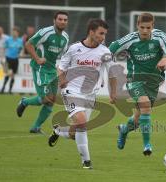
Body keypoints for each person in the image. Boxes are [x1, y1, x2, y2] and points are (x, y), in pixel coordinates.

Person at [48, 19, 117, 169]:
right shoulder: (74, 48)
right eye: (100, 33)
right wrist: (61, 80)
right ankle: (86, 162)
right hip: (71, 91)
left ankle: (59, 131)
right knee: (81, 123)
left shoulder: (105, 52)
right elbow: (61, 67)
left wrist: (113, 93)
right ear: (91, 32)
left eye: (105, 34)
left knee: (76, 131)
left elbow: (112, 74)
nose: (103, 37)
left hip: (90, 95)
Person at [109, 13, 166, 156]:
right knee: (145, 105)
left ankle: (124, 130)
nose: (145, 31)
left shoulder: (160, 37)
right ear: (137, 26)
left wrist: (165, 60)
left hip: (153, 82)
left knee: (138, 118)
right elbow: (109, 50)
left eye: (148, 27)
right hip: (135, 80)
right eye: (142, 27)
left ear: (153, 26)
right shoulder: (130, 39)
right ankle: (147, 145)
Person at [16, 11, 69, 133]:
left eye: (65, 20)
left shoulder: (65, 37)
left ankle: (36, 127)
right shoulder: (45, 32)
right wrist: (38, 59)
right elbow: (28, 44)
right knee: (46, 98)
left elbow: (62, 58)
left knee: (52, 100)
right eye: (60, 19)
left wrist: (62, 77)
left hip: (52, 70)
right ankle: (25, 102)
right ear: (54, 20)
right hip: (40, 69)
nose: (62, 22)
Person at [0, 26, 23, 94]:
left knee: (12, 75)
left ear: (18, 33)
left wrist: (21, 53)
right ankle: (3, 88)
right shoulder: (8, 40)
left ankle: (9, 90)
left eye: (15, 32)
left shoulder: (20, 41)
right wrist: (2, 57)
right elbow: (3, 48)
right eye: (13, 32)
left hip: (15, 59)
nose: (14, 33)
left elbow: (21, 48)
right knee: (8, 73)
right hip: (8, 58)